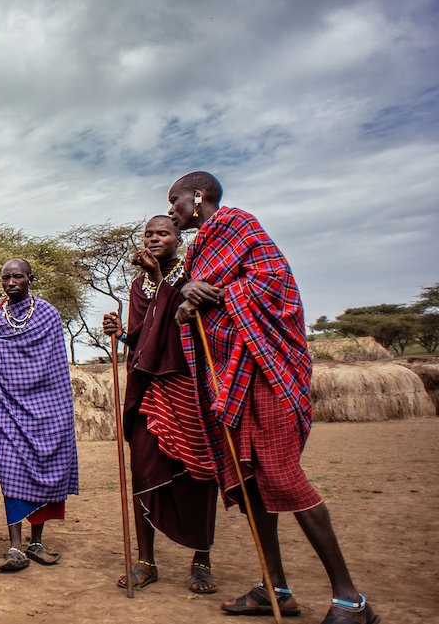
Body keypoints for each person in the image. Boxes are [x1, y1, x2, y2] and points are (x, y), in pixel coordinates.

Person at [169, 171, 375, 624]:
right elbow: (191, 301)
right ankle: (275, 588)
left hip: (267, 372)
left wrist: (215, 295)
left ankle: (351, 600)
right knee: (252, 486)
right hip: (230, 380)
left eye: (175, 200)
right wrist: (190, 296)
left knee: (281, 477)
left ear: (198, 197)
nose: (171, 210)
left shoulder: (239, 225)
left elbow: (276, 286)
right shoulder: (201, 249)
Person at [102, 216, 219, 593]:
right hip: (149, 388)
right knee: (145, 471)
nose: (154, 239)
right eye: (149, 234)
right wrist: (119, 332)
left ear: (178, 239)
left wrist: (161, 280)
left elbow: (182, 321)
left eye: (162, 233)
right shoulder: (139, 284)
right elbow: (141, 336)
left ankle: (201, 560)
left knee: (199, 472)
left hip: (186, 384)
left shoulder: (193, 276)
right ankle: (145, 560)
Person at [0, 259, 78, 572]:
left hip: (45, 407)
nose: (11, 282)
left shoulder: (47, 314)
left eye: (18, 277)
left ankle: (36, 542)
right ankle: (15, 546)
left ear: (30, 278)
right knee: (12, 472)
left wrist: (59, 409)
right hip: (2, 406)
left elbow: (57, 366)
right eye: (6, 278)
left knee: (45, 470)